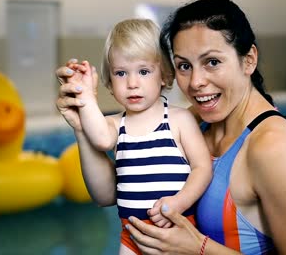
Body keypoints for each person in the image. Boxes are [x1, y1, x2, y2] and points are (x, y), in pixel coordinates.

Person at [55, 0, 286, 255]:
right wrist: (82, 125)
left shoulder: (270, 146)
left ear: (249, 60)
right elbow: (108, 195)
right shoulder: (195, 119)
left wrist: (199, 248)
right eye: (184, 65)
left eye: (212, 62)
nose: (195, 82)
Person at [62, 18, 213, 255]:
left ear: (163, 74)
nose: (132, 83)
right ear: (110, 82)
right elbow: (101, 140)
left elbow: (202, 168)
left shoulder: (179, 120)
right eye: (121, 73)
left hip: (178, 231)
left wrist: (179, 202)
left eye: (143, 71)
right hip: (132, 238)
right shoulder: (114, 124)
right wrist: (86, 97)